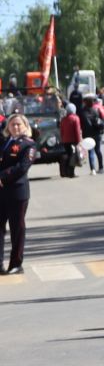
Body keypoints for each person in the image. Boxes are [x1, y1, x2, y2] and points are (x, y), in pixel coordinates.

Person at [0, 114, 33, 275]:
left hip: (17, 191)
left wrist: (2, 177)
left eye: (19, 124)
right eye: (12, 124)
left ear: (25, 126)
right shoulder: (6, 142)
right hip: (1, 191)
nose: (15, 127)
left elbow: (22, 167)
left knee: (16, 229)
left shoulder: (29, 144)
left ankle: (16, 264)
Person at [80, 97, 104, 175]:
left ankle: (93, 169)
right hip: (97, 133)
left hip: (88, 134)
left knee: (91, 151)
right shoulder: (95, 111)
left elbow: (81, 124)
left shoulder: (82, 112)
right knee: (98, 151)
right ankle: (101, 168)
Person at [57, 102, 81, 179]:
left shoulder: (63, 119)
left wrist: (62, 139)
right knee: (73, 157)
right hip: (73, 140)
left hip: (65, 140)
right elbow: (77, 131)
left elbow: (61, 131)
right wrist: (78, 141)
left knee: (68, 155)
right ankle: (71, 172)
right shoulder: (75, 118)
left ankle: (65, 172)